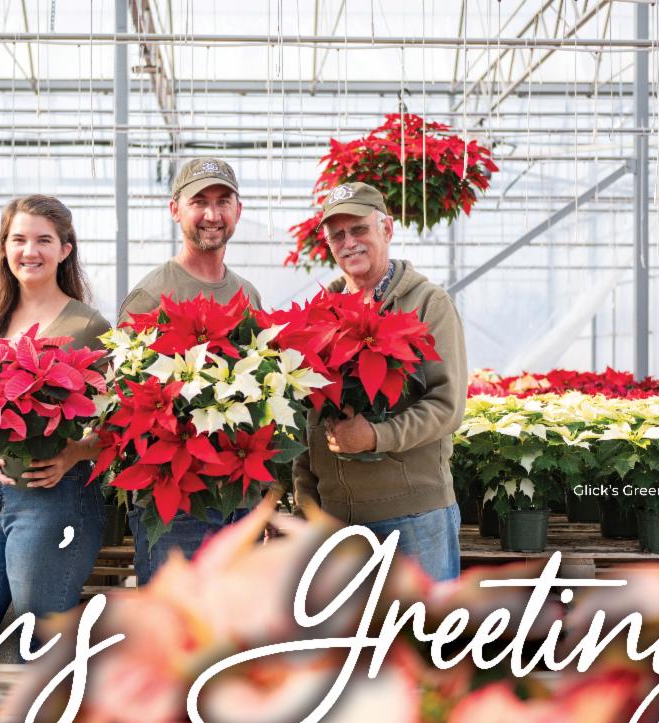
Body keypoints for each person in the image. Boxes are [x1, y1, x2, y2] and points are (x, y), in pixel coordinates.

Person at [0, 195, 110, 654]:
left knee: (40, 637)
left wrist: (74, 453)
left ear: (65, 250)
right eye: (18, 239)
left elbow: (117, 421)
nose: (29, 251)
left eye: (43, 240)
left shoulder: (88, 325)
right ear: (4, 247)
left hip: (54, 499)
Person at [292, 183, 468, 582]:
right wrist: (304, 504)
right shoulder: (322, 313)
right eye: (337, 235)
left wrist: (375, 436)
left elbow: (447, 405)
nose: (348, 243)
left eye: (359, 229)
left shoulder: (428, 304)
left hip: (412, 518)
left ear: (386, 229)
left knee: (418, 624)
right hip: (335, 521)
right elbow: (309, 418)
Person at [117, 157, 263, 584]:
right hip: (176, 507)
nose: (212, 215)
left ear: (238, 210)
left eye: (223, 202)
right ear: (175, 209)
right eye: (199, 202)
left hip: (240, 501)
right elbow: (122, 397)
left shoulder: (247, 294)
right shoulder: (151, 294)